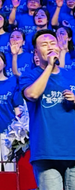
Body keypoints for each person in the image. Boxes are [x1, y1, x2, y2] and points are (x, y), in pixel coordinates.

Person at [20, 29, 75, 190]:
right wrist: (50, 66)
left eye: (53, 43)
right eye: (44, 45)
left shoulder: (71, 75)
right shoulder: (29, 75)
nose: (50, 47)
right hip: (47, 151)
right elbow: (33, 94)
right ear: (36, 53)